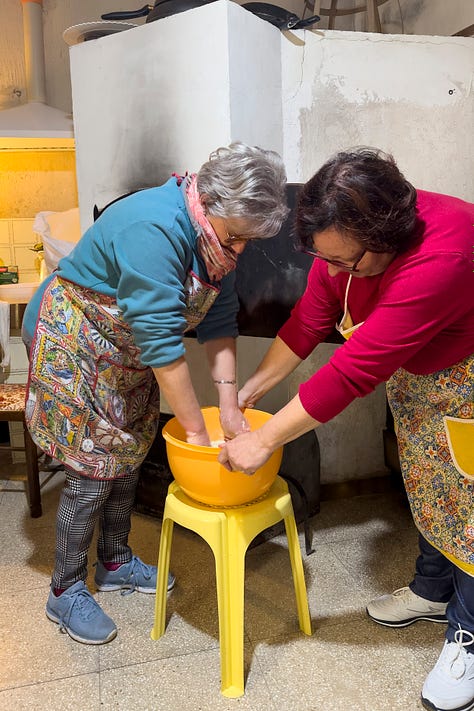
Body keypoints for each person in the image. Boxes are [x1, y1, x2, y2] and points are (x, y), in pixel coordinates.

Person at [217, 147, 474, 711]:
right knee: (432, 488)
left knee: (470, 507)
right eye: (322, 258)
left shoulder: (444, 254)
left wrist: (262, 440)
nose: (332, 273)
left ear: (385, 237)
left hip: (466, 382)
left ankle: (469, 636)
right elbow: (308, 321)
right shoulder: (343, 236)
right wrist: (248, 394)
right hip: (420, 375)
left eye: (345, 263)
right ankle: (433, 591)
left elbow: (353, 372)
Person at [22, 142, 289, 646]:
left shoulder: (215, 240)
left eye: (247, 243)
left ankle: (116, 561)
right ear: (210, 204)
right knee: (92, 469)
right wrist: (197, 434)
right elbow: (164, 345)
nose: (238, 252)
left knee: (129, 452)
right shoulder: (155, 228)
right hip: (75, 340)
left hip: (125, 351)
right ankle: (65, 588)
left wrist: (229, 409)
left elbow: (218, 319)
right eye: (236, 239)